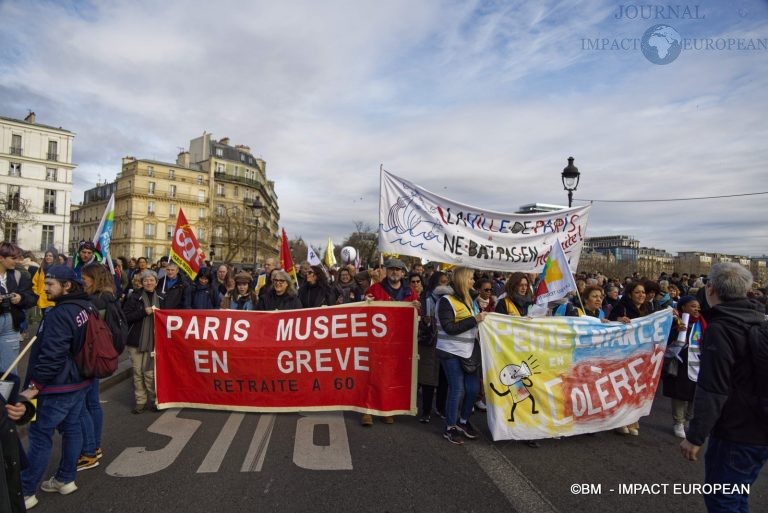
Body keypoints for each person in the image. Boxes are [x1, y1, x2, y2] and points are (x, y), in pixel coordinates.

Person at [680, 263, 768, 512]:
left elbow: (713, 388)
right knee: (737, 496)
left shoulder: (721, 328)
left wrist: (695, 437)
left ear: (711, 289)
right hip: (760, 425)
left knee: (723, 499)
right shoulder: (759, 319)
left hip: (737, 430)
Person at [21, 265, 92, 508]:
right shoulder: (86, 306)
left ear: (67, 286)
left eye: (50, 284)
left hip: (57, 386)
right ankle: (66, 478)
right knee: (72, 428)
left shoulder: (60, 314)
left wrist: (34, 386)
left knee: (40, 435)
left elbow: (52, 355)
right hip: (79, 380)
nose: (45, 287)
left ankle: (26, 491)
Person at [361, 258, 420, 426]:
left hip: (397, 344)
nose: (395, 272)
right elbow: (362, 312)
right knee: (371, 376)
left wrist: (416, 307)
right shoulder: (374, 289)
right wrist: (367, 302)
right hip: (376, 342)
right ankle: (367, 411)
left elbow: (417, 318)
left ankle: (387, 409)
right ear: (386, 271)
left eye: (398, 269)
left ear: (403, 273)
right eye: (392, 269)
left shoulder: (410, 293)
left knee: (390, 377)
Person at [436, 267, 486, 445]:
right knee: (457, 389)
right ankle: (450, 427)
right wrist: (475, 319)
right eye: (471, 278)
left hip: (469, 352)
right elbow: (449, 328)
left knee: (473, 389)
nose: (474, 281)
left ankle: (463, 422)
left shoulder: (470, 301)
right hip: (450, 352)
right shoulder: (445, 301)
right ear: (463, 280)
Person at [76, 263, 118, 471]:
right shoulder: (109, 296)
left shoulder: (95, 301)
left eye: (85, 277)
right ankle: (95, 445)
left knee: (84, 405)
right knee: (93, 403)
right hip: (100, 356)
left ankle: (89, 451)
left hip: (90, 357)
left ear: (94, 278)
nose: (82, 280)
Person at [608, 281, 651, 436]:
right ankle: (620, 420)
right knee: (623, 386)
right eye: (638, 292)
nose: (641, 295)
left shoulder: (648, 309)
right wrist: (618, 321)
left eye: (643, 293)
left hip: (642, 353)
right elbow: (608, 326)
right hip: (623, 353)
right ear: (630, 294)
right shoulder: (621, 307)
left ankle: (632, 419)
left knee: (636, 387)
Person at [662, 296, 707, 439]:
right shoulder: (676, 321)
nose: (697, 309)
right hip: (680, 362)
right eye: (693, 306)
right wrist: (676, 330)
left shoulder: (703, 323)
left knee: (696, 394)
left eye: (698, 306)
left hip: (698, 364)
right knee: (679, 394)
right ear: (683, 307)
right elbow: (664, 341)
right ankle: (678, 422)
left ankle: (689, 419)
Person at [122, 270, 160, 414]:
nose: (149, 283)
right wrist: (144, 312)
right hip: (135, 341)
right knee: (137, 373)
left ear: (156, 282)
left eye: (151, 280)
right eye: (146, 281)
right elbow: (126, 316)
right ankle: (140, 401)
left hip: (155, 342)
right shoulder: (134, 297)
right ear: (142, 283)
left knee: (150, 373)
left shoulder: (162, 297)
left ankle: (155, 399)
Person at [0, 242, 37, 371]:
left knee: (9, 370)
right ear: (1, 257)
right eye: (13, 258)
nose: (17, 261)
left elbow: (32, 297)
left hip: (11, 325)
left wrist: (21, 298)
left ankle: (8, 391)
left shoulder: (18, 274)